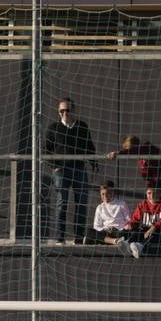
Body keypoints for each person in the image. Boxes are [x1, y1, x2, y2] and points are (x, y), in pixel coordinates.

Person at [107, 134, 161, 237]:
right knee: (157, 205)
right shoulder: (141, 160)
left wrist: (118, 153)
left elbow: (136, 151)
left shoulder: (147, 148)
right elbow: (148, 176)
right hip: (159, 182)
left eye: (127, 149)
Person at [43, 97, 97, 243]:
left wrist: (94, 164)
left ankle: (79, 237)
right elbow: (45, 150)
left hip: (79, 168)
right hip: (61, 171)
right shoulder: (53, 128)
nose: (65, 113)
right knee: (61, 203)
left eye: (68, 110)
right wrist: (54, 166)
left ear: (74, 110)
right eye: (62, 111)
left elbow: (90, 147)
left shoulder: (82, 126)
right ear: (58, 112)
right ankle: (60, 238)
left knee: (81, 203)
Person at [117, 185, 161, 259]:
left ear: (160, 195)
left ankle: (140, 246)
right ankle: (127, 245)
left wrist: (155, 226)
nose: (152, 196)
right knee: (137, 231)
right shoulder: (142, 204)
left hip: (160, 232)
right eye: (149, 193)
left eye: (154, 193)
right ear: (146, 194)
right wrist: (130, 224)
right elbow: (135, 218)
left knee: (152, 233)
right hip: (145, 231)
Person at [88, 181, 131, 245]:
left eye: (108, 193)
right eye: (103, 194)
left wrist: (125, 227)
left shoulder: (122, 204)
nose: (105, 196)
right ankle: (115, 241)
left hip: (119, 231)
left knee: (131, 232)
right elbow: (96, 226)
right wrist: (106, 229)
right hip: (106, 232)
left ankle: (110, 241)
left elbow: (129, 220)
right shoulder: (100, 208)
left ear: (113, 192)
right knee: (89, 232)